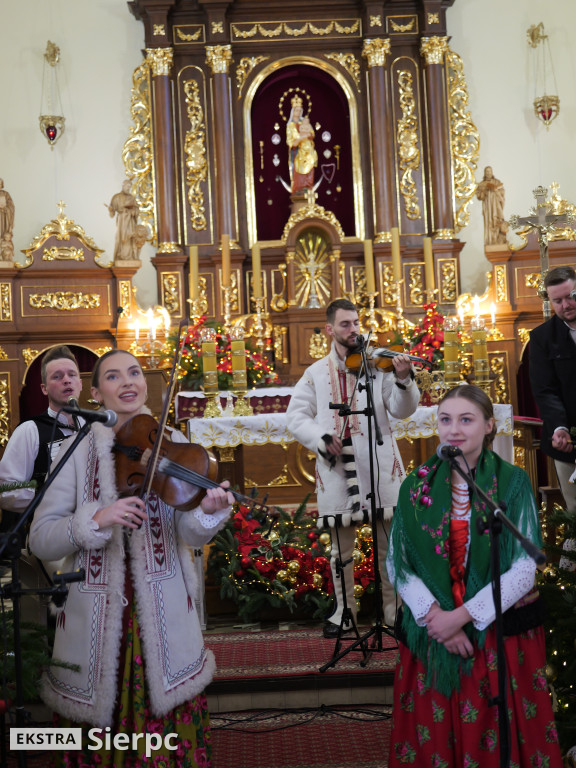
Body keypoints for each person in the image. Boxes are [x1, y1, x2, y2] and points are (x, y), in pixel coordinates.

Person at [29, 349, 234, 767]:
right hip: (95, 614)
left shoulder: (173, 445)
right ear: (95, 393)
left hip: (162, 611)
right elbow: (40, 539)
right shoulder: (72, 451)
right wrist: (95, 519)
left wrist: (207, 514)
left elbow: (187, 533)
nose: (127, 382)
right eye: (113, 376)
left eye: (134, 373)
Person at [386, 384, 562, 766]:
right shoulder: (414, 486)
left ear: (489, 425)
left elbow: (525, 568)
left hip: (496, 635)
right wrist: (436, 618)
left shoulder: (512, 482)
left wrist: (463, 617)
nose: (453, 430)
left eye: (466, 420)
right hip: (434, 635)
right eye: (445, 420)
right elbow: (398, 564)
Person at [286, 298, 419, 638]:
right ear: (330, 329)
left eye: (356, 323)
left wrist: (404, 379)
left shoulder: (377, 366)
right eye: (345, 324)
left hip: (379, 464)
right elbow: (295, 417)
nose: (353, 330)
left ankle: (393, 610)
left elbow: (402, 410)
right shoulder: (316, 373)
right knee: (340, 550)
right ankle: (345, 612)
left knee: (389, 545)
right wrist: (321, 437)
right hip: (338, 469)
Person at [0, 345, 83, 524]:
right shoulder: (29, 430)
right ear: (44, 389)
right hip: (47, 530)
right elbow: (5, 489)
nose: (67, 380)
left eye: (72, 375)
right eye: (57, 376)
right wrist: (49, 498)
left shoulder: (92, 427)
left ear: (80, 383)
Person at [529, 265, 576, 515]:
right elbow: (545, 390)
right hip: (567, 439)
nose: (565, 305)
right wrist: (560, 428)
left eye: (570, 296)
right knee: (574, 509)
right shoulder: (542, 338)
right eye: (557, 301)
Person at [286, 95, 318, 194]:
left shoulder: (305, 122)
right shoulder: (290, 126)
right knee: (298, 173)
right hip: (297, 153)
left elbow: (312, 134)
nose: (298, 112)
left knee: (310, 168)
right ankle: (299, 190)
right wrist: (300, 139)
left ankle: (308, 188)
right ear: (292, 111)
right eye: (296, 110)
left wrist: (308, 136)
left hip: (308, 152)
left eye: (300, 110)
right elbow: (291, 142)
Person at [108, 179, 141, 261]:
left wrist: (133, 211)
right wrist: (111, 210)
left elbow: (136, 210)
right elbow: (112, 213)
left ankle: (130, 256)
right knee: (121, 238)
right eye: (127, 186)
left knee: (130, 237)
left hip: (130, 221)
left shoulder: (132, 198)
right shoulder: (116, 197)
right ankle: (121, 255)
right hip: (122, 220)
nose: (128, 188)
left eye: (130, 187)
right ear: (123, 186)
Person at [476, 165, 508, 246]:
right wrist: (484, 190)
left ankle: (498, 239)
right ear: (485, 173)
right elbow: (479, 196)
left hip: (496, 205)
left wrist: (496, 190)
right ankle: (490, 241)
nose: (488, 173)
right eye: (487, 171)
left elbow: (502, 193)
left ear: (492, 172)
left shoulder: (497, 182)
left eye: (490, 171)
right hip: (487, 207)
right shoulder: (481, 184)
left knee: (498, 220)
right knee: (489, 222)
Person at [0, 178, 15, 261]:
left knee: (3, 232)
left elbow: (11, 206)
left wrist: (6, 209)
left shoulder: (6, 194)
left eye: (0, 184)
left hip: (4, 216)